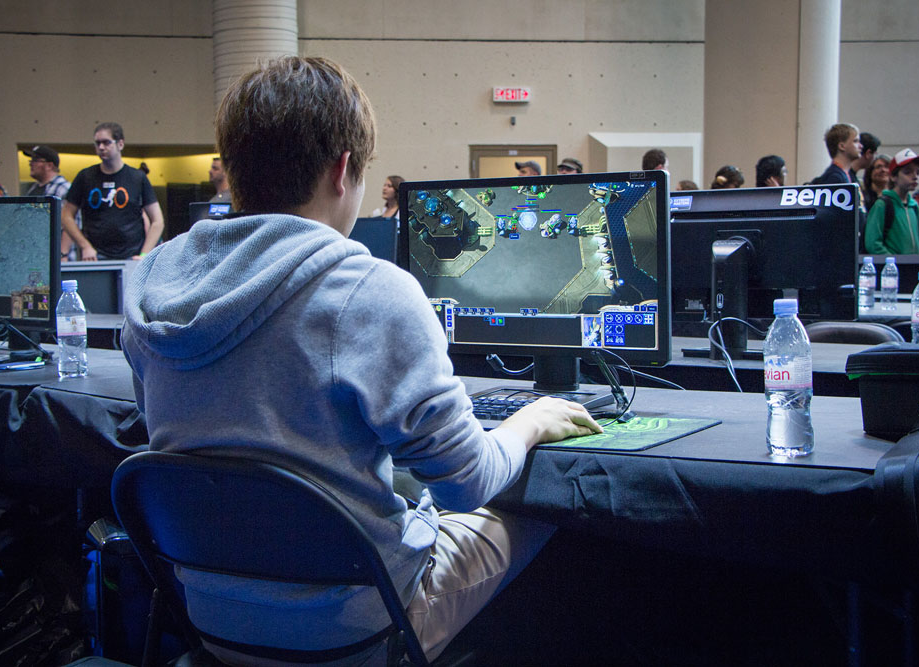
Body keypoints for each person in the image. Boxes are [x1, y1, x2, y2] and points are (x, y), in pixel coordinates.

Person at [121, 55, 601, 665]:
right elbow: (466, 483)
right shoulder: (370, 291)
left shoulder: (152, 286)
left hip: (214, 623)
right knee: (544, 511)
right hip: (350, 634)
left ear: (233, 165)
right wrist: (530, 421)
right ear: (343, 169)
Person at [62, 123, 165, 261]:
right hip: (95, 257)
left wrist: (144, 254)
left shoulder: (137, 178)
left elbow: (157, 220)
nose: (101, 147)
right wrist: (84, 246)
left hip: (131, 255)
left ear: (120, 144)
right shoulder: (85, 177)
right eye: (97, 143)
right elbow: (66, 215)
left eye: (106, 142)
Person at [864, 149, 919, 255]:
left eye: (918, 172)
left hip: (914, 264)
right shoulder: (882, 205)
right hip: (893, 265)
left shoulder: (914, 206)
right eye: (908, 172)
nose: (915, 176)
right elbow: (873, 243)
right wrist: (893, 261)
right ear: (893, 177)